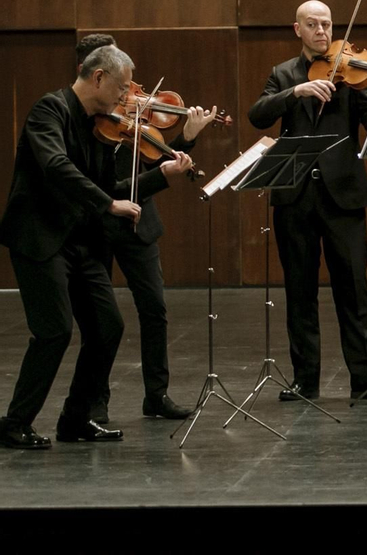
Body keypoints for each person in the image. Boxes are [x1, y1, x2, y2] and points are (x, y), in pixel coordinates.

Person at [0, 44, 193, 449]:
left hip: (79, 238)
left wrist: (164, 173)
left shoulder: (103, 126)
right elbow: (57, 167)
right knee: (54, 331)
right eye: (123, 89)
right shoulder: (48, 111)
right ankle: (15, 422)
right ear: (98, 77)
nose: (129, 99)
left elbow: (112, 189)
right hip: (40, 238)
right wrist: (108, 205)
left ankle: (76, 418)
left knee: (108, 327)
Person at [248, 0, 367, 403]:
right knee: (299, 292)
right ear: (297, 29)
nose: (322, 31)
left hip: (344, 197)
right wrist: (295, 91)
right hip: (295, 197)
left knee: (353, 289)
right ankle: (305, 381)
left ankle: (365, 377)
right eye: (312, 24)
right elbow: (257, 114)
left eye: (327, 24)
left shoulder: (353, 75)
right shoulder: (283, 74)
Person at [72, 34, 217, 423]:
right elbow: (104, 190)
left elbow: (152, 167)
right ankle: (96, 402)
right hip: (97, 226)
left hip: (139, 222)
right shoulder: (76, 122)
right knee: (99, 322)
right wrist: (161, 176)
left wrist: (186, 139)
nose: (126, 96)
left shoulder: (133, 116)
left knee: (154, 309)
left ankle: (157, 394)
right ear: (90, 74)